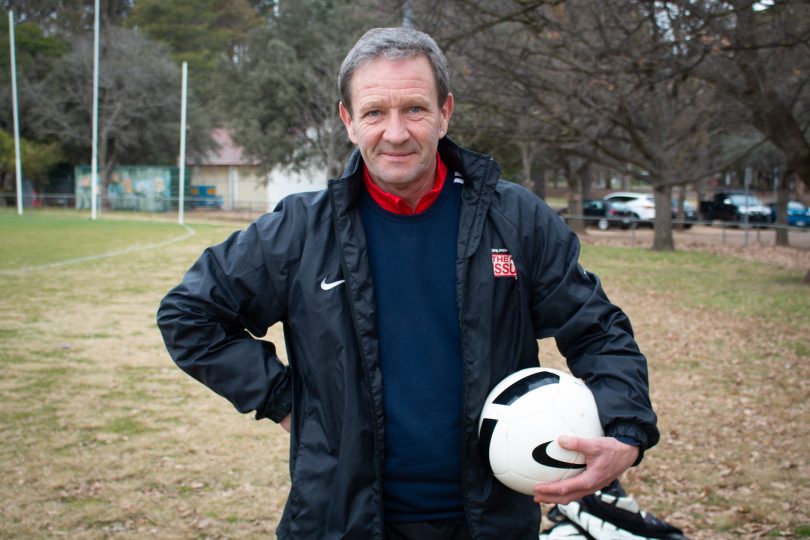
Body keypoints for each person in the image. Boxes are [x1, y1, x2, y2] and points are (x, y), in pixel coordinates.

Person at [157, 27, 659, 540]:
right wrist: (285, 400)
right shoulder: (300, 231)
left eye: (414, 109)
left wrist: (625, 430)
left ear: (445, 113)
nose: (395, 133)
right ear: (348, 121)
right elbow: (188, 314)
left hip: (489, 523)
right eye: (375, 112)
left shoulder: (516, 220)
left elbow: (597, 329)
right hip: (338, 522)